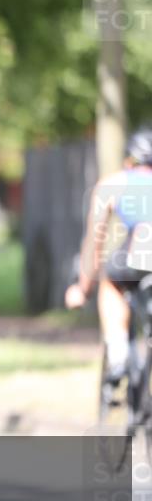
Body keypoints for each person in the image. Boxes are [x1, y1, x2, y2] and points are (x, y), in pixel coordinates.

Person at [65, 127, 152, 383]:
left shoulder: (114, 184)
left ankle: (117, 354)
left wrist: (82, 289)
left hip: (141, 248)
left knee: (111, 281)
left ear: (129, 160)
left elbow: (94, 243)